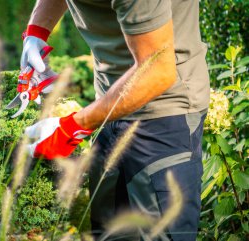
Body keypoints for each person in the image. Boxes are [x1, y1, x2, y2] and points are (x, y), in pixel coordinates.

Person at [21, 0, 210, 240]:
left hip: (163, 116)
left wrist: (72, 127)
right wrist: (37, 32)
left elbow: (158, 69)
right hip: (109, 109)